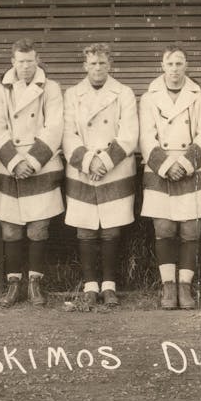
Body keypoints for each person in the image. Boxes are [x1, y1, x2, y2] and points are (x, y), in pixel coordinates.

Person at [62, 43, 139, 310]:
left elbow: (129, 134)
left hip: (113, 168)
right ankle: (90, 286)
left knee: (110, 229)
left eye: (102, 63)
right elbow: (68, 133)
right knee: (85, 230)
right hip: (83, 169)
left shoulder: (124, 93)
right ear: (85, 66)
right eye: (92, 64)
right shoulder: (72, 94)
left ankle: (109, 286)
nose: (97, 68)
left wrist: (104, 162)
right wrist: (87, 161)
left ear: (110, 65)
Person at [0, 39, 64, 308]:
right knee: (10, 229)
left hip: (40, 163)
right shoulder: (0, 90)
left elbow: (55, 126)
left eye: (30, 61)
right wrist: (14, 162)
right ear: (13, 62)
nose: (25, 67)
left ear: (37, 60)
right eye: (20, 62)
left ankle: (35, 284)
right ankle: (13, 285)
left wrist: (32, 161)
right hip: (9, 164)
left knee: (38, 228)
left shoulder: (51, 88)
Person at [139, 45, 201, 310]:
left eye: (179, 64)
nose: (174, 69)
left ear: (186, 66)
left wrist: (184, 162)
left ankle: (185, 287)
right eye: (170, 64)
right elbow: (146, 137)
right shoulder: (149, 98)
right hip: (161, 169)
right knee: (165, 229)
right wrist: (166, 164)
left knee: (190, 230)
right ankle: (168, 287)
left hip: (192, 168)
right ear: (162, 66)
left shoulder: (200, 97)